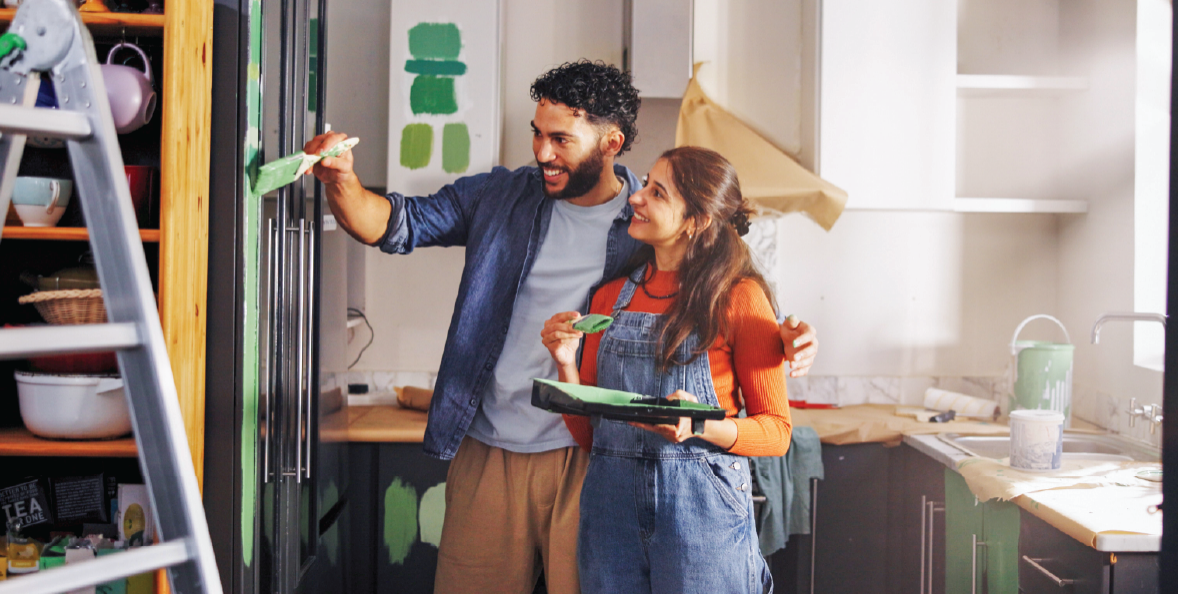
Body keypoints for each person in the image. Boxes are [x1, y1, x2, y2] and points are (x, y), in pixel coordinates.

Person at [303, 61, 816, 594]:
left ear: (611, 142)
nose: (542, 152)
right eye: (537, 134)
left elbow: (721, 284)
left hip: (596, 460)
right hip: (493, 448)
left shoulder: (650, 218)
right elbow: (392, 222)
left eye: (560, 139)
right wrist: (343, 181)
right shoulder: (500, 197)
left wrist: (788, 335)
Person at [541, 146, 789, 594]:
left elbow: (776, 432)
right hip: (610, 514)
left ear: (696, 221)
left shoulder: (740, 298)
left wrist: (701, 427)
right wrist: (565, 364)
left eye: (657, 192)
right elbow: (589, 435)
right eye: (646, 184)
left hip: (703, 515)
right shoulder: (608, 299)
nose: (636, 197)